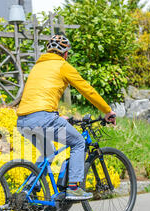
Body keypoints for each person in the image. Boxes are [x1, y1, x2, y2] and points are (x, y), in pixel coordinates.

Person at [16, 35, 116, 200]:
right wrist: (107, 110)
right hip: (43, 118)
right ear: (65, 53)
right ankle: (73, 187)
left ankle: (29, 186)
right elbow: (87, 90)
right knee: (78, 142)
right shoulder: (62, 65)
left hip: (23, 120)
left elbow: (40, 95)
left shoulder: (37, 67)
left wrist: (56, 114)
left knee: (48, 152)